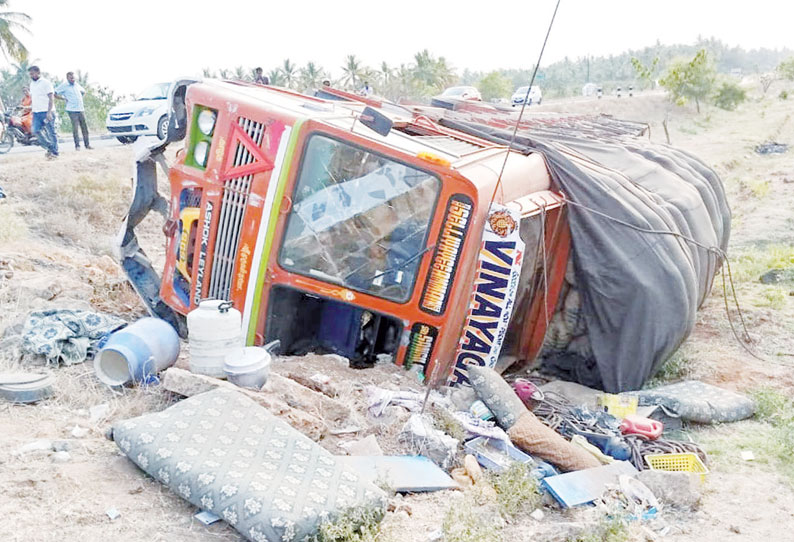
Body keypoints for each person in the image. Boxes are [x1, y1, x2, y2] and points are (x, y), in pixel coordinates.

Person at [55, 72, 92, 150]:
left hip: (80, 109)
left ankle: (87, 145)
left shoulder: (77, 85)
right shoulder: (64, 86)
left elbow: (83, 91)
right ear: (67, 78)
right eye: (71, 78)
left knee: (84, 128)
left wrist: (80, 98)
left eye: (73, 77)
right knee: (75, 128)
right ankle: (77, 146)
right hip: (72, 109)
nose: (72, 79)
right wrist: (63, 98)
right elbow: (55, 93)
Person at [28, 65, 59, 158]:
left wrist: (49, 112)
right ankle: (50, 147)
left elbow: (51, 98)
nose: (31, 75)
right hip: (36, 112)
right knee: (35, 131)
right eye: (30, 74)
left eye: (32, 73)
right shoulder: (32, 84)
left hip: (47, 112)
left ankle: (55, 152)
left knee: (51, 132)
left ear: (38, 72)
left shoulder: (46, 83)